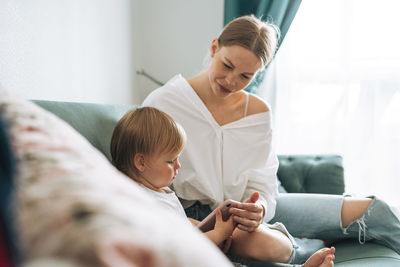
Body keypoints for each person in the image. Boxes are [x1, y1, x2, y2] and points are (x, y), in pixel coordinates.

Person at [142, 15, 400, 264]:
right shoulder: (163, 102)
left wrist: (261, 209)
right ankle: (308, 247)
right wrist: (197, 228)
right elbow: (146, 182)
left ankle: (305, 236)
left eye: (246, 76)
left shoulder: (258, 112)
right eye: (227, 65)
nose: (231, 81)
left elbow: (263, 183)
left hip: (253, 213)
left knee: (372, 210)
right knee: (256, 243)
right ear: (214, 47)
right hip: (205, 220)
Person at [110, 106, 335, 267]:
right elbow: (183, 246)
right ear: (140, 162)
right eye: (170, 161)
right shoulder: (141, 201)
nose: (178, 166)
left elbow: (183, 228)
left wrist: (210, 227)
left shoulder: (158, 191)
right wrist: (217, 234)